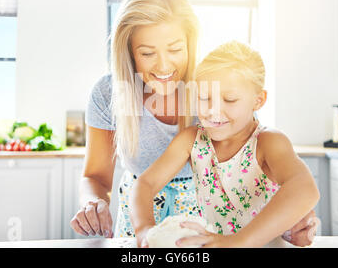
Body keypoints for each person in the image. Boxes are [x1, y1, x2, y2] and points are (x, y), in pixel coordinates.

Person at [69, 0, 319, 246]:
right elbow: (100, 178)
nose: (164, 65)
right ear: (129, 51)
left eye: (175, 49)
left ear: (191, 43)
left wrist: (288, 218)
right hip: (138, 214)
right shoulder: (109, 93)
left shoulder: (211, 87)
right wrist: (94, 205)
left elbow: (254, 163)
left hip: (208, 222)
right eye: (147, 53)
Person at [129, 41, 320, 248]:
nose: (213, 110)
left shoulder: (268, 142)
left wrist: (237, 242)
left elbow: (305, 188)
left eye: (229, 99)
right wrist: (144, 230)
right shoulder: (192, 140)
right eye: (204, 98)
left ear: (258, 100)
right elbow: (144, 184)